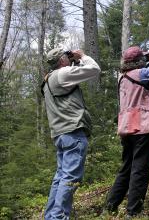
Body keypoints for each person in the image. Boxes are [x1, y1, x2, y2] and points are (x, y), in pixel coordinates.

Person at [103, 46, 149, 218]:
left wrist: (146, 63)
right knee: (140, 169)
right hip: (142, 127)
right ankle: (133, 212)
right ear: (140, 61)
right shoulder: (142, 73)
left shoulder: (122, 77)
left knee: (126, 169)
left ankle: (109, 207)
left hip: (126, 127)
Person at [42, 48, 101, 220]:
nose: (69, 59)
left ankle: (51, 216)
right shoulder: (63, 74)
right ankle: (58, 218)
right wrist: (82, 56)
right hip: (73, 132)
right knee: (70, 178)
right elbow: (94, 69)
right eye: (66, 57)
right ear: (61, 60)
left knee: (60, 177)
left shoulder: (48, 79)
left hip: (60, 134)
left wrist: (74, 61)